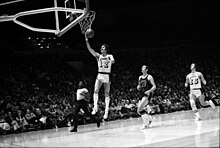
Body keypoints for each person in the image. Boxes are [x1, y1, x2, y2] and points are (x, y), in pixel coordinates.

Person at [85, 35, 115, 120]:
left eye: (103, 48)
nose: (101, 49)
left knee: (107, 94)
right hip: (100, 74)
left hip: (107, 75)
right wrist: (87, 40)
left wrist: (110, 61)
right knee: (95, 91)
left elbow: (113, 61)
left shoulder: (110, 56)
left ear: (106, 49)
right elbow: (90, 49)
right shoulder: (99, 56)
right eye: (101, 48)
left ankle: (106, 111)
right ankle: (95, 107)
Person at [137, 65, 156, 129]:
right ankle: (149, 118)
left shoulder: (149, 77)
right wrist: (138, 87)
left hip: (147, 95)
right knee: (139, 111)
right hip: (141, 94)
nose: (142, 69)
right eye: (142, 68)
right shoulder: (140, 77)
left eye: (143, 68)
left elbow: (154, 86)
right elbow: (139, 86)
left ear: (146, 70)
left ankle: (146, 124)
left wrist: (149, 91)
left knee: (140, 109)